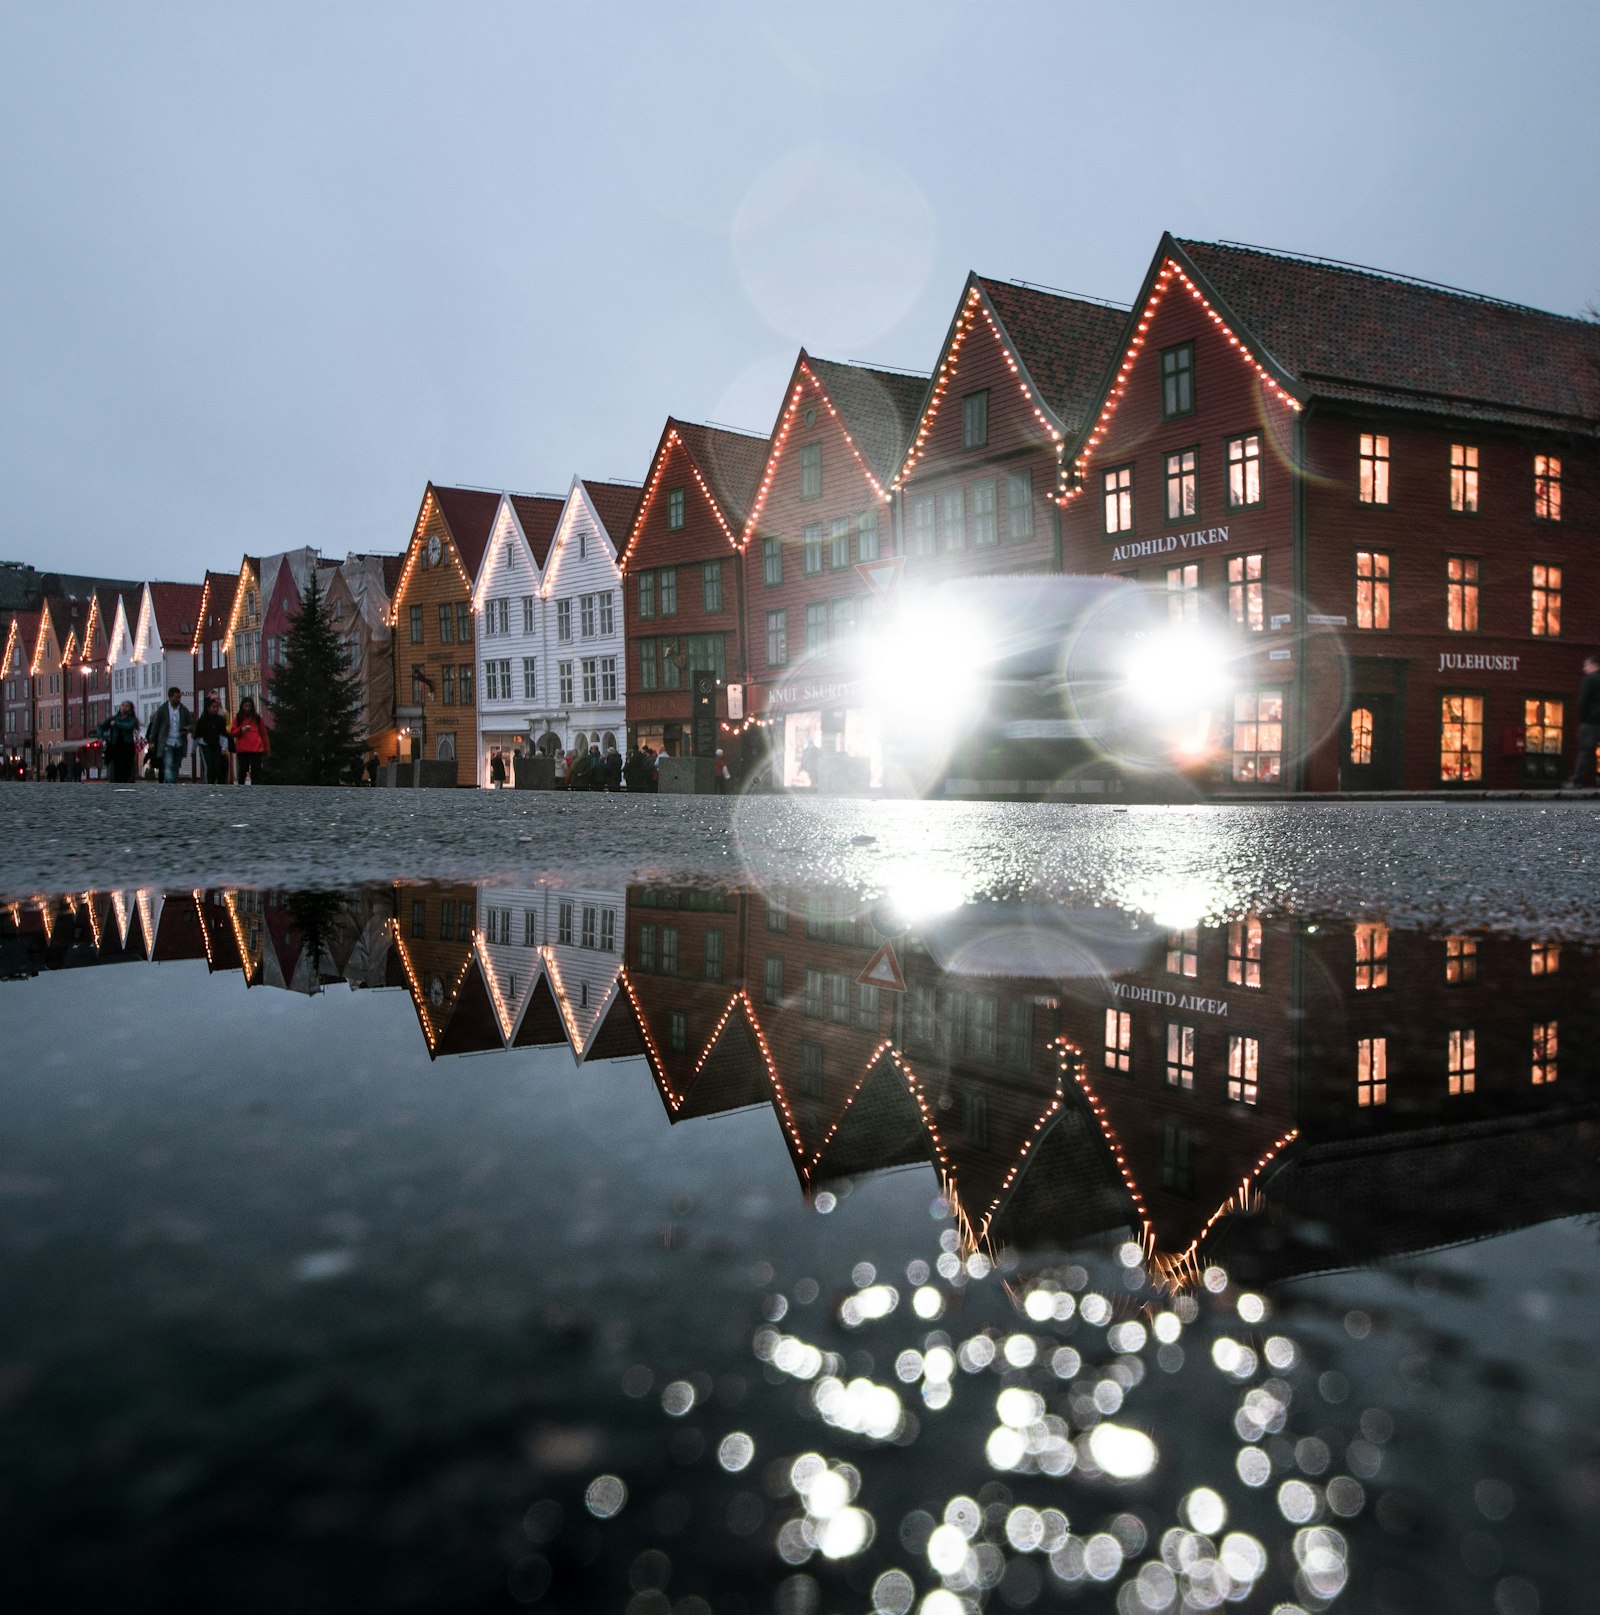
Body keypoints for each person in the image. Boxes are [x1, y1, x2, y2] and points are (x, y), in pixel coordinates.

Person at [146, 687, 194, 784]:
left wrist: (187, 729)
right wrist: (152, 741)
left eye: (179, 697)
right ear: (170, 697)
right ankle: (170, 785)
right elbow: (156, 725)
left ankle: (172, 785)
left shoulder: (183, 710)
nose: (178, 700)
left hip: (179, 742)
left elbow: (190, 723)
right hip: (167, 742)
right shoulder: (163, 709)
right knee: (168, 765)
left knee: (176, 767)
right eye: (176, 697)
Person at [1569, 653, 1600, 787]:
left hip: (1591, 722)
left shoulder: (1589, 680)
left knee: (1586, 752)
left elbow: (1583, 702)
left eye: (1586, 665)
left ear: (1594, 665)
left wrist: (1583, 719)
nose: (1584, 668)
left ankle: (1577, 781)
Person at [231, 696, 268, 784]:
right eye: (245, 706)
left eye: (249, 706)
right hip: (243, 749)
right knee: (243, 769)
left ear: (252, 707)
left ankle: (255, 788)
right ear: (242, 706)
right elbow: (232, 732)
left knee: (256, 770)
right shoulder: (238, 718)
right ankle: (241, 786)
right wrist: (241, 730)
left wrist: (266, 748)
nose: (247, 708)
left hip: (256, 748)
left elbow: (263, 734)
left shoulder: (257, 719)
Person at [100, 701, 140, 782]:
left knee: (127, 767)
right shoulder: (113, 718)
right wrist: (102, 736)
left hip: (128, 746)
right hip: (116, 747)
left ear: (130, 709)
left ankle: (125, 782)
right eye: (122, 705)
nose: (124, 707)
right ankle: (119, 785)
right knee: (117, 767)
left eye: (126, 706)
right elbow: (102, 727)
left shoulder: (132, 719)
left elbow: (128, 726)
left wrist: (116, 724)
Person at [193, 697, 230, 784]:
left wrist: (224, 747)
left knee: (217, 767)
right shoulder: (202, 720)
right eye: (213, 707)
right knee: (208, 766)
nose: (216, 709)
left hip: (216, 745)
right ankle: (208, 786)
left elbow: (223, 734)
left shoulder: (220, 720)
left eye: (217, 707)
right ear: (208, 708)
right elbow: (197, 735)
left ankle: (213, 782)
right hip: (204, 745)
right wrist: (193, 749)